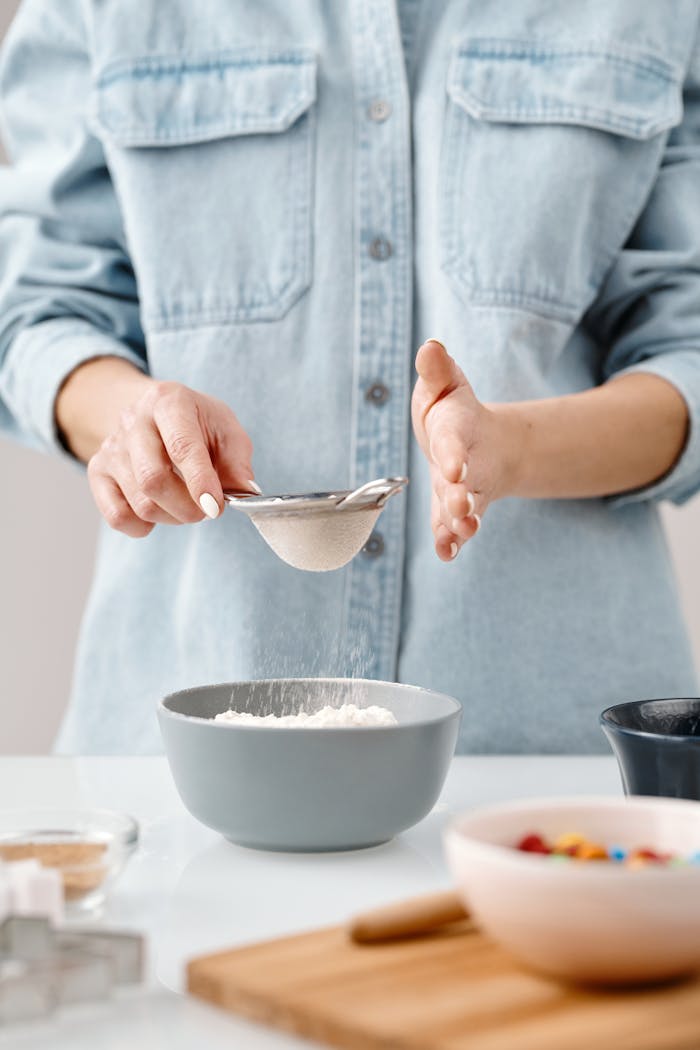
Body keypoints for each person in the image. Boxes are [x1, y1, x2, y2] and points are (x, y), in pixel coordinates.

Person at [1, 1, 699, 755]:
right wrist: (134, 416)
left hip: (543, 770)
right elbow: (36, 311)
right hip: (183, 765)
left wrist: (510, 450)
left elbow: (686, 345)